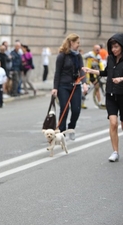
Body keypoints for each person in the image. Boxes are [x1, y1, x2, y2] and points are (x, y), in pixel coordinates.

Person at [82, 33, 123, 162]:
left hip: (122, 95)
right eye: (112, 47)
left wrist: (121, 79)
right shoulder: (110, 58)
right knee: (113, 123)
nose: (114, 50)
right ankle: (115, 152)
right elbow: (105, 72)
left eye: (116, 47)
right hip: (110, 94)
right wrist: (90, 71)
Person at [52, 33, 88, 140]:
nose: (79, 45)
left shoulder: (78, 56)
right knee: (65, 108)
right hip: (63, 86)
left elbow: (82, 70)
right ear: (71, 43)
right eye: (77, 43)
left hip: (76, 86)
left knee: (76, 109)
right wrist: (55, 88)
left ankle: (71, 127)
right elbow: (57, 73)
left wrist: (84, 83)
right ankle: (61, 132)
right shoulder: (62, 56)